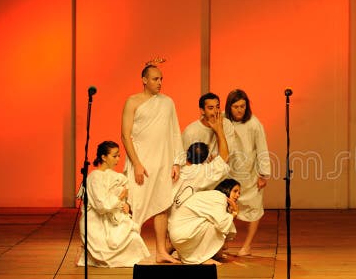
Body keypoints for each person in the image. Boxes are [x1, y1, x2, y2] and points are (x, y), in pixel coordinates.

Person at [121, 62, 185, 264]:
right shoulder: (132, 102)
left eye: (161, 79)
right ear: (144, 80)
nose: (159, 83)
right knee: (134, 205)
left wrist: (177, 163)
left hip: (163, 163)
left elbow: (175, 131)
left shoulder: (167, 103)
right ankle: (126, 251)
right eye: (156, 79)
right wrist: (137, 163)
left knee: (162, 206)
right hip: (141, 163)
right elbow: (125, 135)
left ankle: (160, 252)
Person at [77, 140, 150, 267]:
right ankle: (88, 255)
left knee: (133, 237)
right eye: (114, 156)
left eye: (119, 156)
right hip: (96, 221)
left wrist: (125, 203)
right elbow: (102, 205)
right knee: (113, 241)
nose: (117, 159)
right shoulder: (95, 177)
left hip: (111, 216)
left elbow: (120, 195)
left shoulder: (113, 175)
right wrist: (120, 196)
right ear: (103, 157)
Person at [224, 89, 271, 256]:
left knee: (253, 207)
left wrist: (263, 174)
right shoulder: (223, 120)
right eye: (236, 106)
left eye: (242, 106)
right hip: (229, 172)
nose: (239, 110)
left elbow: (262, 148)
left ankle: (247, 245)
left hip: (249, 172)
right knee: (226, 207)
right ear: (229, 107)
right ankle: (223, 242)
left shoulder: (253, 123)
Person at [168, 178, 241, 265]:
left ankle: (204, 255)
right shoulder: (219, 197)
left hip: (180, 234)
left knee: (223, 219)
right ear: (226, 189)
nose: (237, 195)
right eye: (235, 191)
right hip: (182, 234)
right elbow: (222, 224)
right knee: (218, 223)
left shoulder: (215, 197)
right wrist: (234, 213)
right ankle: (201, 258)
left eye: (239, 193)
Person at [181, 92, 237, 160]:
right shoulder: (190, 132)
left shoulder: (227, 124)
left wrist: (219, 131)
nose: (216, 111)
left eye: (218, 107)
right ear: (202, 111)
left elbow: (229, 155)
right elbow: (183, 159)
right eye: (211, 108)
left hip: (222, 169)